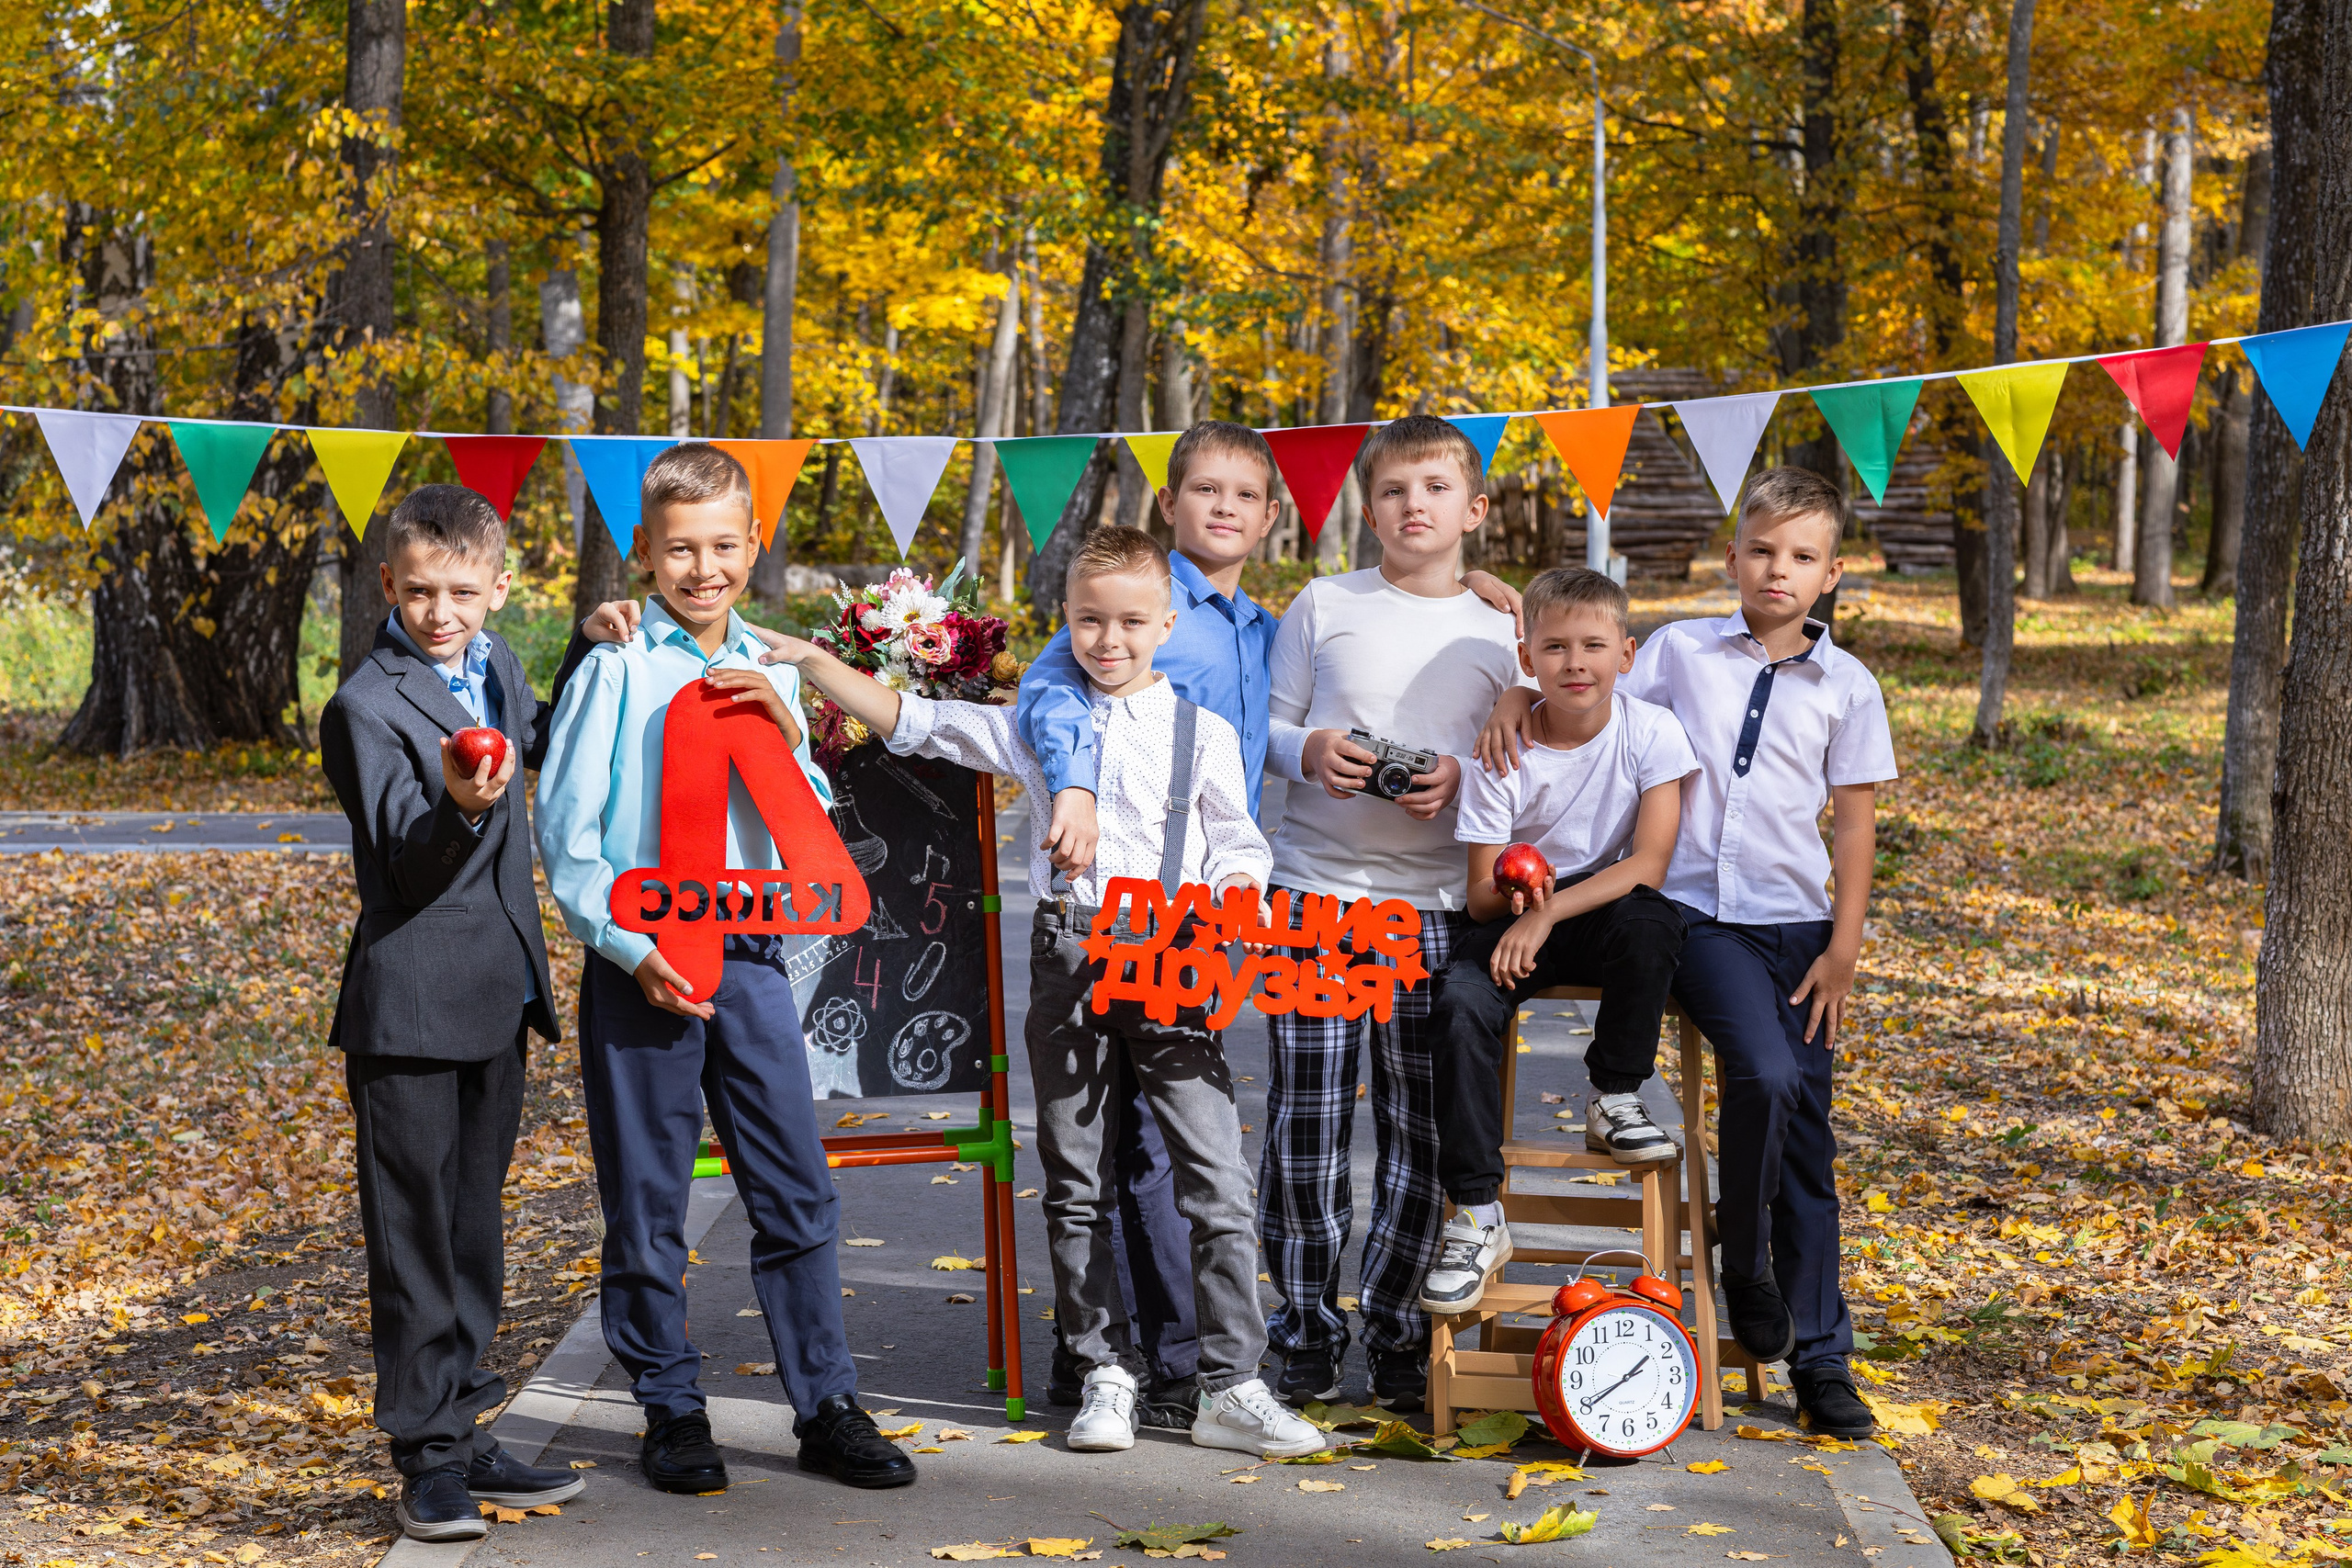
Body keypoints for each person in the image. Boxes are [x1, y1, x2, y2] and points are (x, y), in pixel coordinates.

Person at [757, 525, 1329, 1461]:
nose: (1110, 640)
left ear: (1166, 623)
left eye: (1131, 622)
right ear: (1065, 622)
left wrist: (1225, 904)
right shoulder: (1041, 722)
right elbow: (915, 720)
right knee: (1075, 1177)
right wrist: (818, 661)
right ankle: (1105, 1372)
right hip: (1072, 958)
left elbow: (1241, 847)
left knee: (1216, 1182)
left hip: (1176, 962)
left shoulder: (1205, 732)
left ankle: (1234, 1384)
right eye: (1089, 621)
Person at [1479, 465, 1896, 1438]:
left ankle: (1819, 1359)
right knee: (1759, 1071)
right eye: (1759, 551)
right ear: (1731, 558)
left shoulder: (1848, 685)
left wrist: (1843, 949)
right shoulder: (1677, 651)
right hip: (1698, 915)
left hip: (1795, 925)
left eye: (1800, 557)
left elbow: (1855, 824)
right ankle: (1742, 1262)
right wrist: (1509, 691)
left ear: (1831, 573)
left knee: (1805, 1137)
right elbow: (1583, 680)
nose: (1776, 571)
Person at [536, 441, 917, 1494]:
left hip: (750, 960)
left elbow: (810, 830)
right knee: (648, 1199)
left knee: (795, 1188)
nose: (703, 569)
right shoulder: (614, 665)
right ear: (645, 554)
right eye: (679, 550)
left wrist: (787, 725)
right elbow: (569, 839)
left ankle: (826, 1402)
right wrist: (634, 950)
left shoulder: (773, 667)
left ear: (753, 545)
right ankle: (669, 1405)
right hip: (645, 961)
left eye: (722, 547)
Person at [322, 484, 622, 1541]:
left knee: (472, 1229)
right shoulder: (366, 704)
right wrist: (460, 808)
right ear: (388, 587)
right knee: (413, 1241)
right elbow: (402, 866)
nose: (438, 611)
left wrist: (589, 649)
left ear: (499, 586)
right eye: (417, 592)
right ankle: (426, 1458)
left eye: (459, 591)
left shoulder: (493, 666)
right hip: (407, 1006)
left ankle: (463, 1423)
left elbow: (542, 737)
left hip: (497, 993)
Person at [1257, 412, 1532, 1412]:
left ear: (1474, 507)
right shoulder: (1324, 603)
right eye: (1392, 491)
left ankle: (1401, 1328)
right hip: (1315, 897)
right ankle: (1301, 1329)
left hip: (1437, 910)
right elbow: (1265, 730)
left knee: (1421, 1136)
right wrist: (1309, 751)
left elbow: (1540, 755)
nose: (1413, 506)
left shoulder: (1506, 631)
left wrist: (1463, 776)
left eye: (1433, 487)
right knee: (1307, 1128)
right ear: (1365, 507)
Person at [1418, 567, 1696, 1316]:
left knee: (1654, 918)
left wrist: (1551, 913)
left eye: (1594, 645)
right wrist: (1519, 903)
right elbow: (1480, 892)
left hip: (1602, 907)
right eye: (1556, 647)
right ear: (1528, 656)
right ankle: (1478, 1213)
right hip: (1514, 915)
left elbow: (1650, 863)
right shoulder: (1500, 749)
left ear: (1626, 655)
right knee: (1458, 1001)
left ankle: (1614, 1095)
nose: (1576, 662)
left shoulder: (1652, 732)